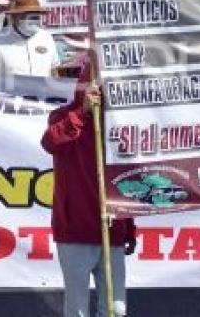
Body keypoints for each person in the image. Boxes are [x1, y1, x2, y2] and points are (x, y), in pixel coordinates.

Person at [42, 59, 136, 317]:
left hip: (111, 229)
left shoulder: (120, 123)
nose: (102, 92)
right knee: (78, 310)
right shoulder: (63, 116)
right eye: (97, 86)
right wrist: (82, 112)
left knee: (116, 309)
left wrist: (129, 226)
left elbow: (126, 178)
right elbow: (50, 142)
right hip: (75, 232)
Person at [0, 0, 59, 77]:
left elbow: (53, 70)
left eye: (36, 17)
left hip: (43, 89)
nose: (33, 21)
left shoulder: (46, 38)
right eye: (27, 16)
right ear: (14, 16)